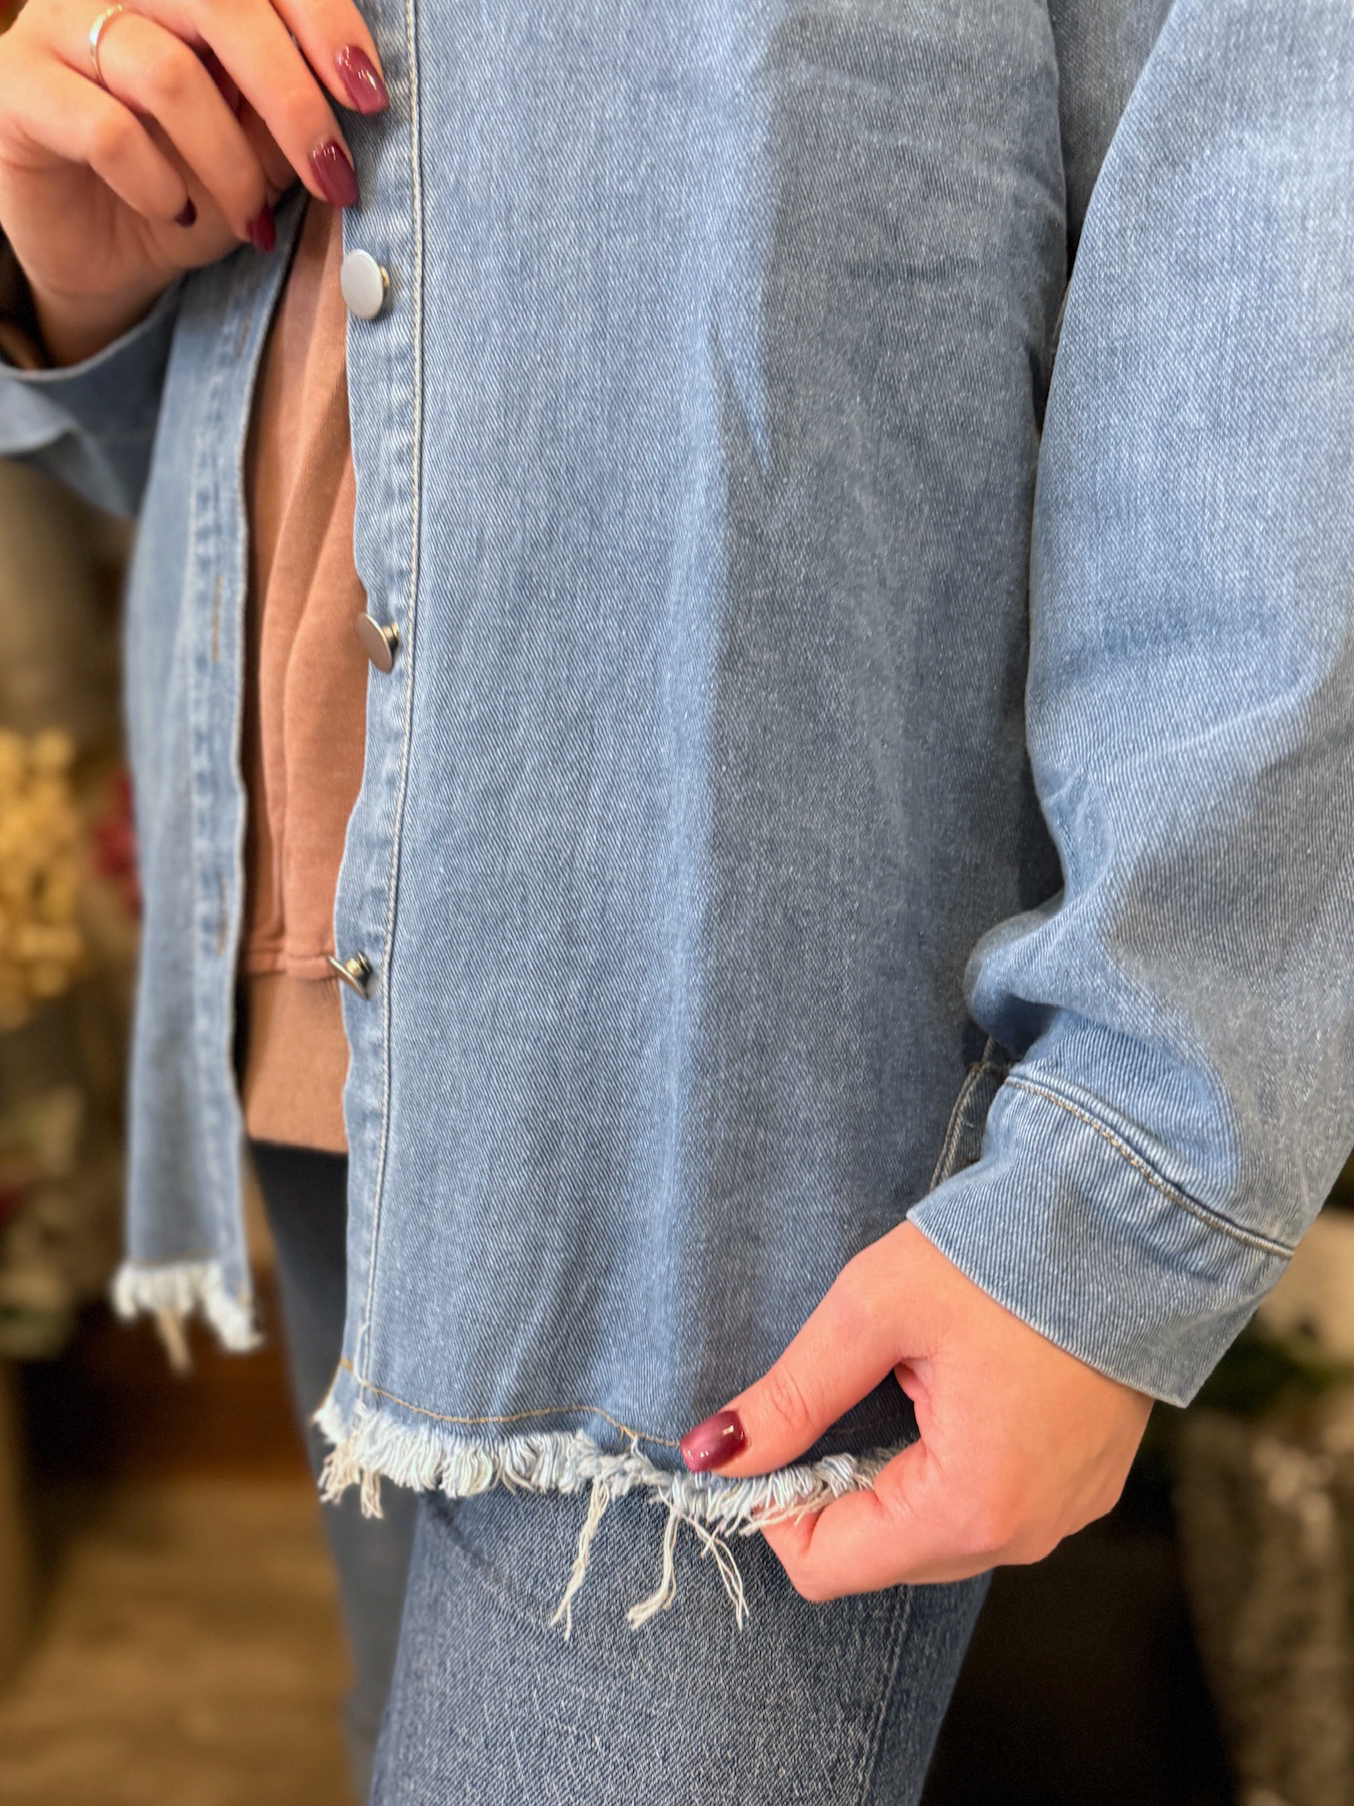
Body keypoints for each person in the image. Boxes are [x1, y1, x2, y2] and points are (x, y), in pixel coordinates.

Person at [0, 0, 1351, 1800]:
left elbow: (1281, 228)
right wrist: (81, 266)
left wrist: (1128, 1173)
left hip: (732, 1028)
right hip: (321, 907)